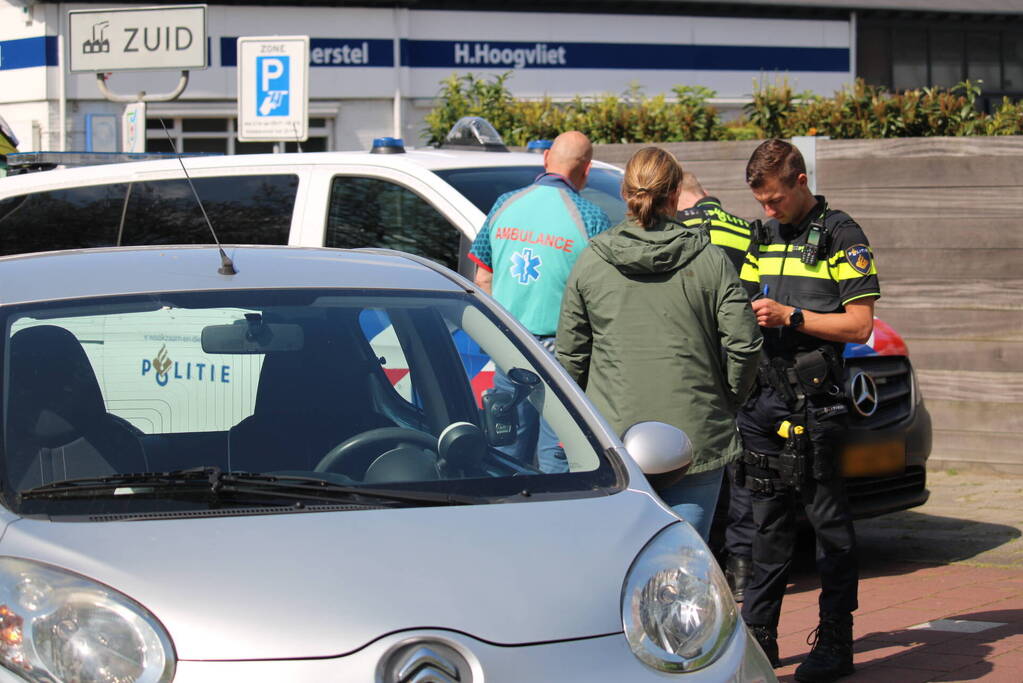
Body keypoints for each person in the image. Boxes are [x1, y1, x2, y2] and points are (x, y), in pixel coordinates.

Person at [556, 147, 762, 541]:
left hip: (612, 441)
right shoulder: (710, 259)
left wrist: (578, 429)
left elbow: (570, 357)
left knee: (618, 563)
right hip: (696, 434)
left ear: (624, 193)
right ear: (674, 195)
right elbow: (745, 344)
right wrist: (724, 401)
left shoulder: (591, 261)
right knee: (684, 561)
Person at [736, 139, 880, 682]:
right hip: (763, 402)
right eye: (761, 202)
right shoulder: (761, 235)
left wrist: (792, 317)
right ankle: (761, 638)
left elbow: (859, 325)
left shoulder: (841, 235)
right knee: (766, 526)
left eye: (774, 200)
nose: (768, 211)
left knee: (829, 527)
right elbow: (744, 309)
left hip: (815, 404)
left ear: (800, 182)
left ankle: (835, 641)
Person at [469, 130, 611, 473]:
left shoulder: (505, 204)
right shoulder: (591, 218)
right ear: (587, 170)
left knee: (507, 451)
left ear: (546, 159)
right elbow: (604, 296)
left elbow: (482, 278)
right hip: (564, 354)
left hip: (510, 345)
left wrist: (500, 335)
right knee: (558, 456)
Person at [676, 171, 756, 600]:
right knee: (740, 466)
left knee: (699, 464)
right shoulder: (747, 231)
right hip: (740, 361)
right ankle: (741, 565)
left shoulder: (674, 231)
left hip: (692, 364)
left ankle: (704, 559)